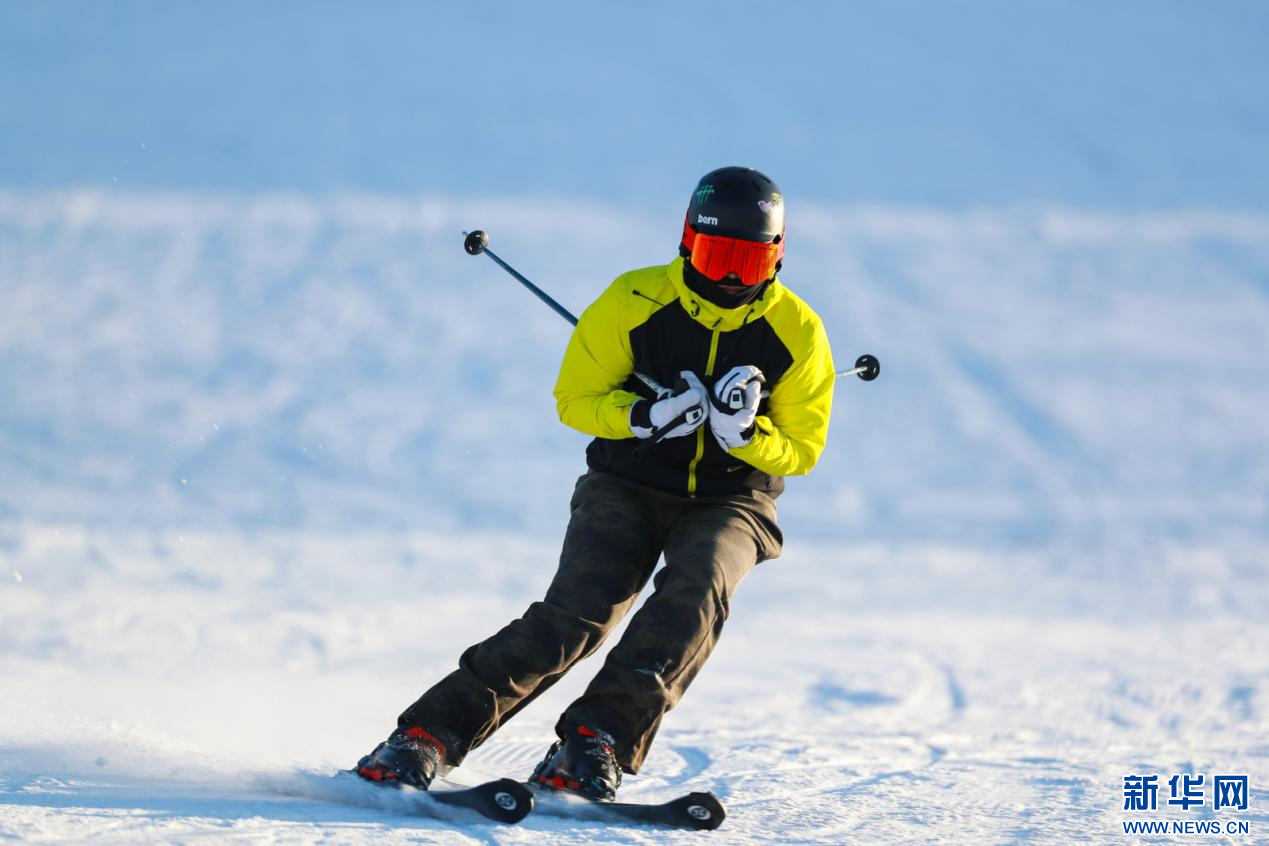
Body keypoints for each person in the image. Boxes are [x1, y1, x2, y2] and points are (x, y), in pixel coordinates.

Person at [355, 166, 836, 801]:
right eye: (715, 256)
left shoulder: (798, 331)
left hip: (732, 498)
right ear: (687, 241)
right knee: (578, 614)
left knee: (696, 595)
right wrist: (644, 416)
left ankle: (594, 740)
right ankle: (426, 736)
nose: (727, 278)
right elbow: (576, 399)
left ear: (776, 257)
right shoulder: (634, 300)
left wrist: (743, 433)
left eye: (746, 263)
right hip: (628, 482)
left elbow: (803, 447)